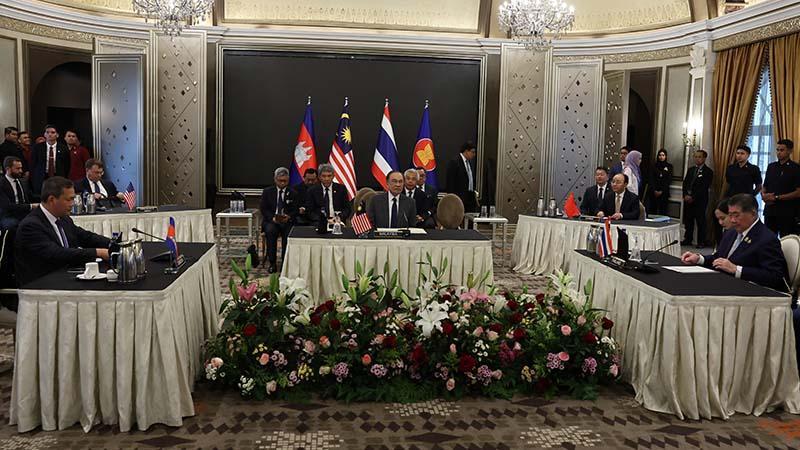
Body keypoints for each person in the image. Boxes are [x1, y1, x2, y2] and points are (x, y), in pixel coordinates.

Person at [14, 176, 111, 286]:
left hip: (65, 277)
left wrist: (112, 243)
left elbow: (85, 237)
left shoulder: (63, 218)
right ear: (51, 200)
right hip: (41, 284)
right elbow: (56, 253)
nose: (72, 203)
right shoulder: (30, 226)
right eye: (69, 199)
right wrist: (98, 252)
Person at [681, 194, 788, 291]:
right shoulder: (732, 232)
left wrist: (737, 269)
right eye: (730, 215)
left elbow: (774, 276)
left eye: (736, 215)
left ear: (753, 214)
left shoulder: (767, 239)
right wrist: (699, 259)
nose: (732, 220)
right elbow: (719, 258)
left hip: (750, 292)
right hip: (726, 284)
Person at [259, 167, 297, 273]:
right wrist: (272, 217)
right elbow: (263, 208)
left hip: (287, 222)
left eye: (285, 181)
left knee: (289, 234)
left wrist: (289, 216)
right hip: (272, 221)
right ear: (275, 179)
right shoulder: (267, 192)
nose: (282, 183)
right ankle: (272, 263)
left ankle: (285, 262)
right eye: (280, 181)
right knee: (270, 231)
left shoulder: (293, 192)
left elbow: (295, 210)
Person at [762, 139, 800, 237]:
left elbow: (798, 192)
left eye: (782, 150)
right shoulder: (771, 166)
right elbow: (765, 185)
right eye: (777, 150)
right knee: (768, 239)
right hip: (770, 210)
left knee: (786, 239)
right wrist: (763, 195)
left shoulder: (796, 168)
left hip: (787, 212)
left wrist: (777, 197)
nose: (778, 152)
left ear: (790, 151)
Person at [682, 149, 714, 248]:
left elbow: (704, 187)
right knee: (688, 220)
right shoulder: (691, 170)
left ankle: (701, 242)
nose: (697, 159)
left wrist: (693, 197)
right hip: (687, 200)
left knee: (700, 221)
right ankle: (688, 239)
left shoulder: (708, 172)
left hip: (700, 200)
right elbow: (685, 183)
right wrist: (685, 195)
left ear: (704, 158)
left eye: (699, 157)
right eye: (695, 157)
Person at [31, 124, 70, 197]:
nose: (50, 134)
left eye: (52, 132)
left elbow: (67, 165)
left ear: (57, 135)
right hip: (42, 177)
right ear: (44, 134)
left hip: (58, 176)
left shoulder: (63, 148)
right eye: (47, 132)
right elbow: (33, 164)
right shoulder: (37, 147)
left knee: (58, 196)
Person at [0, 156, 37, 230]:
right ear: (8, 169)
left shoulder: (23, 181)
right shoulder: (1, 184)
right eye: (18, 168)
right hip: (9, 215)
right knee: (18, 225)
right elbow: (7, 206)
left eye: (21, 168)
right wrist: (31, 206)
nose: (21, 171)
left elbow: (31, 196)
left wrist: (45, 198)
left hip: (25, 212)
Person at [445, 142, 478, 213]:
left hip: (469, 197)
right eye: (472, 152)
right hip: (459, 198)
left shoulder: (469, 163)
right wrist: (452, 199)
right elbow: (450, 182)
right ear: (466, 151)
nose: (474, 155)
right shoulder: (454, 162)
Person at [651, 149, 672, 215]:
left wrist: (661, 191)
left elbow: (668, 180)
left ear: (666, 156)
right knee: (653, 211)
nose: (661, 157)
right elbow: (651, 179)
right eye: (660, 155)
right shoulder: (654, 166)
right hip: (654, 192)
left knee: (663, 212)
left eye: (663, 155)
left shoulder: (669, 166)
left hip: (664, 192)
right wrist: (655, 190)